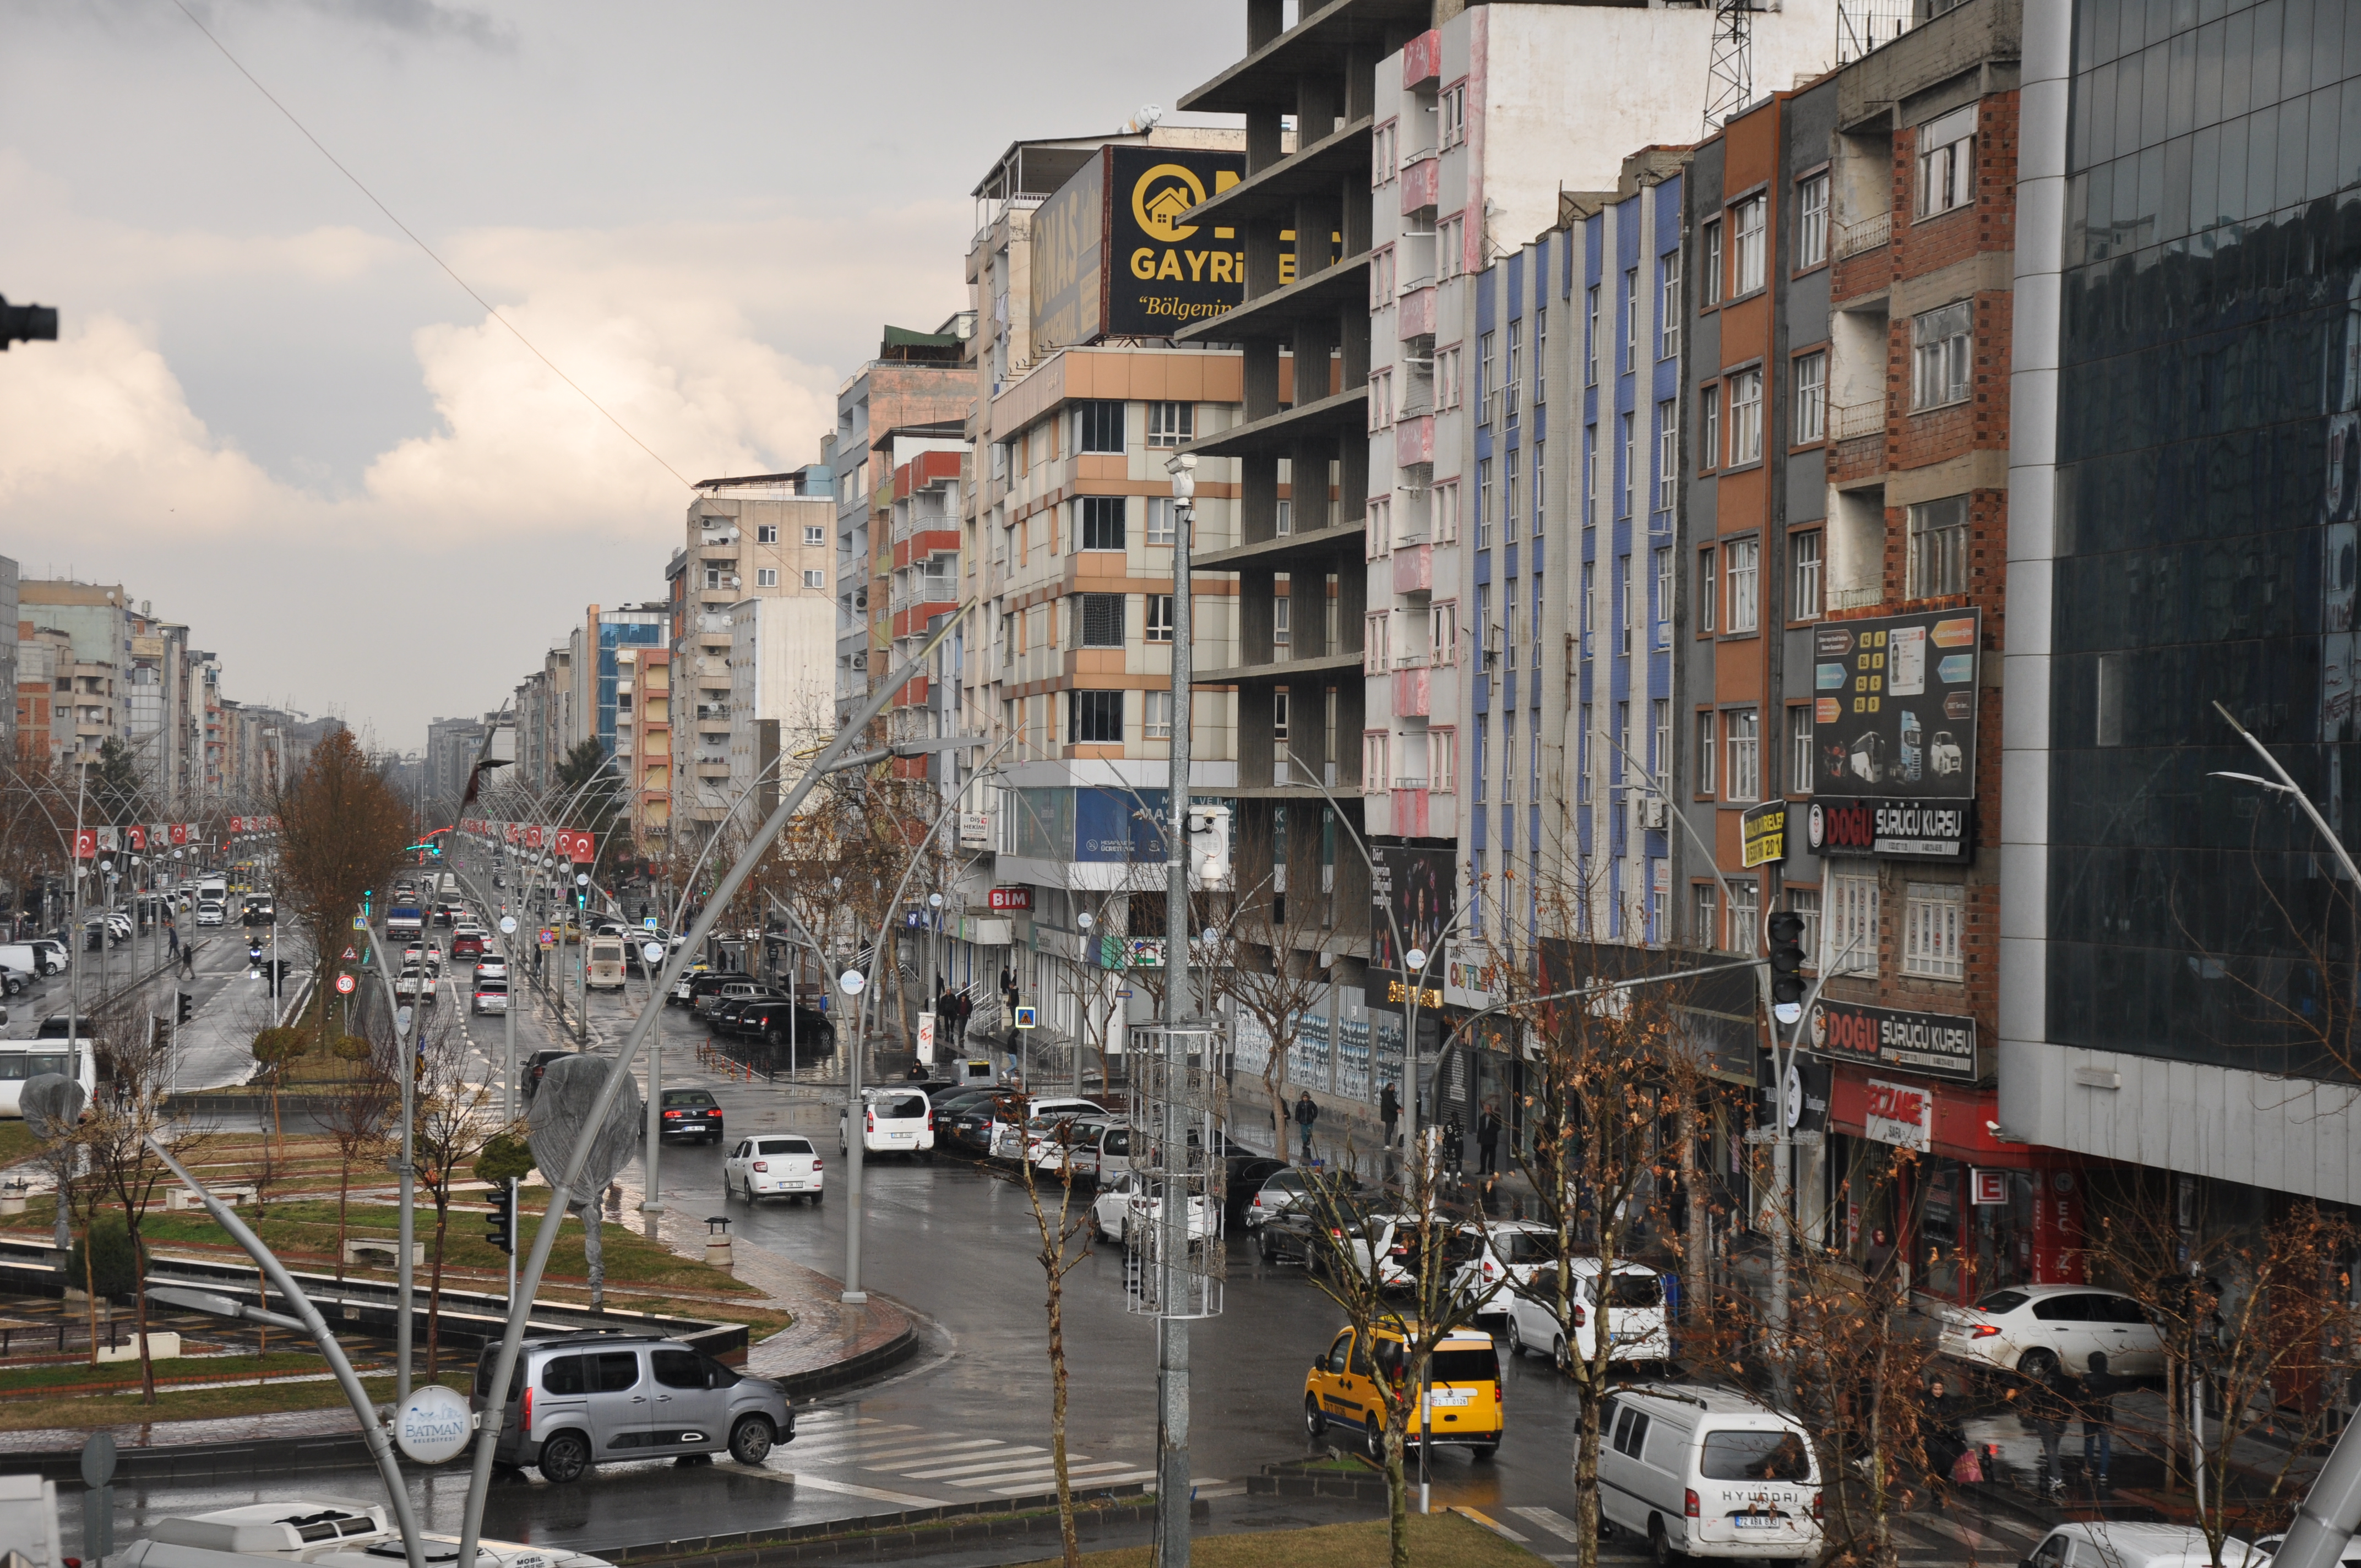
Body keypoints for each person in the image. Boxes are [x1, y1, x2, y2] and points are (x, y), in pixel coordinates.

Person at [2019, 1362, 2072, 1497]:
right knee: (2054, 1448)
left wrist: (2035, 1415)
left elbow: (2034, 1401)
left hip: (2046, 1420)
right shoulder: (2068, 1382)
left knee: (2050, 1449)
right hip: (2061, 1420)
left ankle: (2057, 1477)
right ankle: (2051, 1475)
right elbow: (2073, 1400)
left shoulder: (2041, 1383)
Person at [2081, 1351, 2119, 1494]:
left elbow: (2082, 1397)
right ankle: (2103, 1473)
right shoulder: (2113, 1380)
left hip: (2089, 1415)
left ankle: (2089, 1468)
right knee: (2105, 1445)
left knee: (2089, 1442)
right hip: (2105, 1415)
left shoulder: (2086, 1379)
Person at [1477, 1102, 1503, 1177]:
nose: (1488, 1111)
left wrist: (1491, 1131)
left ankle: (1491, 1170)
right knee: (1483, 1156)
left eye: (1489, 1109)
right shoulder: (1482, 1118)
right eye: (1487, 1109)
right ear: (1485, 1110)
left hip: (1492, 1140)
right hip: (1484, 1141)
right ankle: (1482, 1170)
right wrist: (1479, 1140)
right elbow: (1480, 1130)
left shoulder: (1496, 1117)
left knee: (1492, 1156)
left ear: (1491, 1109)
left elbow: (1499, 1127)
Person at [1293, 1090, 1319, 1163]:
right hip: (1302, 1121)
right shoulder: (1300, 1104)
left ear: (1308, 1098)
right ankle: (1305, 1143)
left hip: (1310, 1121)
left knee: (1309, 1132)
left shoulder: (1311, 1104)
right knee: (1303, 1133)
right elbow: (1297, 1112)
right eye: (1304, 1097)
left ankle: (1308, 1140)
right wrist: (1297, 1119)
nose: (1305, 1099)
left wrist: (1314, 1116)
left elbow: (1315, 1109)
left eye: (1306, 1097)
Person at [1379, 1082, 1400, 1148]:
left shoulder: (1390, 1094)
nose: (1394, 1089)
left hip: (1391, 1115)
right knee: (1389, 1130)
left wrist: (1399, 1107)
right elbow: (1389, 1105)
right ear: (1390, 1088)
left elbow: (1393, 1103)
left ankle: (1388, 1144)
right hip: (1388, 1115)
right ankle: (1387, 1144)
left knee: (1390, 1130)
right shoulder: (1386, 1095)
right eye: (1393, 1088)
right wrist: (1396, 1110)